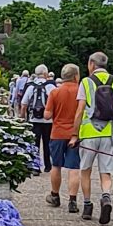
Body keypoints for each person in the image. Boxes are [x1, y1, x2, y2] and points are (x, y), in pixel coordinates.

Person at [71, 52, 113, 226]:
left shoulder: (86, 82)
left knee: (86, 171)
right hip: (109, 134)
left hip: (89, 134)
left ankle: (87, 206)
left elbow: (80, 110)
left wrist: (74, 134)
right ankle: (106, 197)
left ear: (92, 64)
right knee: (105, 172)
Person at [45, 63, 82, 211]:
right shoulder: (81, 92)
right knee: (74, 168)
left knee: (56, 165)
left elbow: (47, 115)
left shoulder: (55, 92)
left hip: (58, 133)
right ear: (75, 76)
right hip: (75, 134)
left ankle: (55, 196)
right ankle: (72, 201)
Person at [21, 64, 56, 174]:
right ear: (46, 74)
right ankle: (48, 165)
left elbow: (23, 104)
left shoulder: (30, 86)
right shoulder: (51, 87)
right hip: (48, 120)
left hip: (33, 120)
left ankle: (36, 167)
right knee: (47, 143)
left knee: (35, 144)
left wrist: (23, 118)